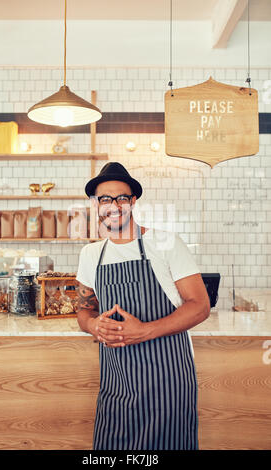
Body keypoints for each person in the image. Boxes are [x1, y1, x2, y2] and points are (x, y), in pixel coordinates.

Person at [76, 161, 210, 450]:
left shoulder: (165, 243)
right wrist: (92, 325)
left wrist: (144, 331)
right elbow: (84, 309)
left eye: (121, 198)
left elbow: (200, 306)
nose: (113, 205)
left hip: (168, 381)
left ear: (133, 201)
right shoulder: (91, 254)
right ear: (96, 204)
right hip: (117, 382)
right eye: (105, 199)